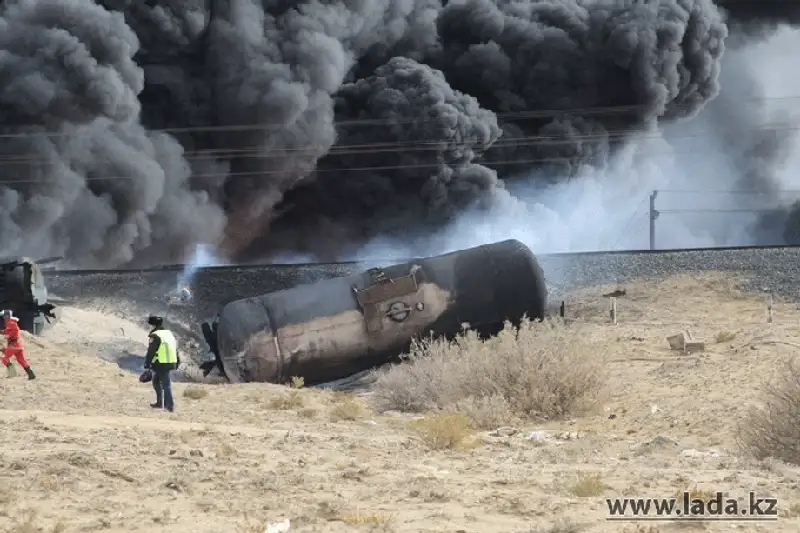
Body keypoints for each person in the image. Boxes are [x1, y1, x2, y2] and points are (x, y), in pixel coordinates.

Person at [143, 315, 179, 412]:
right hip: (170, 361)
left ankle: (169, 406)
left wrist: (147, 364)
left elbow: (151, 351)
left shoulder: (155, 336)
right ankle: (160, 403)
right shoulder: (168, 333)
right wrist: (177, 361)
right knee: (156, 382)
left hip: (161, 363)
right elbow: (174, 347)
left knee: (165, 385)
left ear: (153, 325)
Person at [1, 310, 35, 380]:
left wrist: (8, 336)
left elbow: (15, 331)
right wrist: (3, 332)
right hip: (18, 345)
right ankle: (31, 374)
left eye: (4, 316)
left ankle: (12, 373)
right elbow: (8, 331)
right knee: (21, 360)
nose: (3, 317)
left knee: (4, 358)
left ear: (7, 316)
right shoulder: (11, 322)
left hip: (14, 345)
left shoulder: (10, 323)